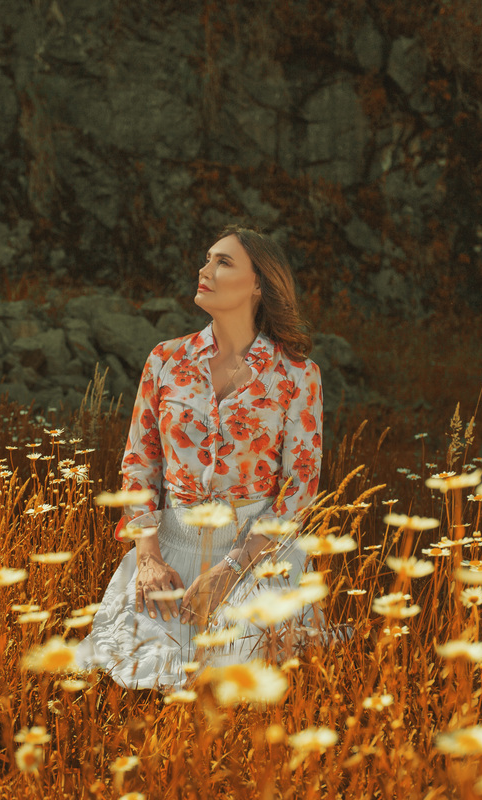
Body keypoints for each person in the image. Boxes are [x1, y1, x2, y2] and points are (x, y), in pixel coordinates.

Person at [76, 224, 348, 692]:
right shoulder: (166, 359)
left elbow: (300, 486)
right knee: (136, 682)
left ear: (259, 283)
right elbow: (139, 463)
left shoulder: (297, 375)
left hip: (254, 557)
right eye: (207, 259)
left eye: (223, 262)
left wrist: (234, 568)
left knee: (234, 686)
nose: (204, 270)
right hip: (168, 552)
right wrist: (147, 558)